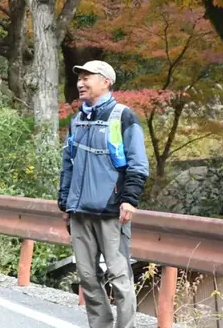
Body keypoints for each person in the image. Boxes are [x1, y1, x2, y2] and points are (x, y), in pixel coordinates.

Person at [59, 60, 149, 328]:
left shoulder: (123, 116)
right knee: (87, 277)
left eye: (88, 77)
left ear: (106, 82)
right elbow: (67, 164)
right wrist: (65, 203)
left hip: (112, 210)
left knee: (119, 277)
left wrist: (130, 200)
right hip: (79, 211)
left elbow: (138, 163)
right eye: (80, 78)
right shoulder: (77, 120)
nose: (81, 82)